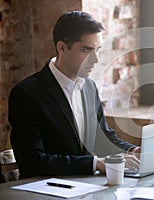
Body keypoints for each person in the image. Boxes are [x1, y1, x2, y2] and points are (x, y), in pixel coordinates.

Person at [8, 11, 140, 179]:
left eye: (98, 50)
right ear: (62, 48)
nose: (96, 60)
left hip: (86, 188)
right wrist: (95, 164)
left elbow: (103, 139)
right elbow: (32, 162)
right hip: (46, 192)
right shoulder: (26, 93)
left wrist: (134, 151)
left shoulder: (90, 87)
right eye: (86, 50)